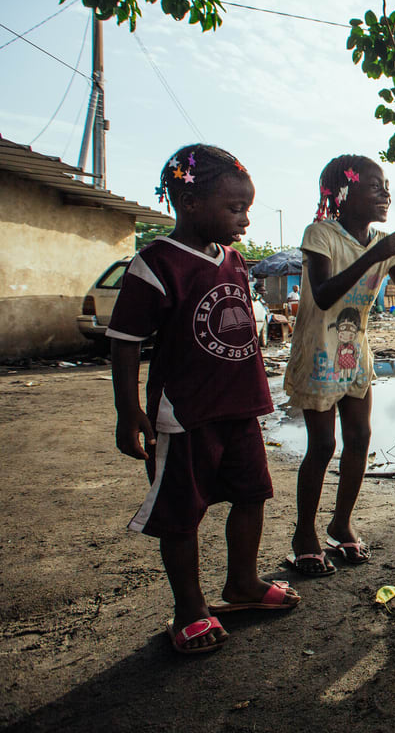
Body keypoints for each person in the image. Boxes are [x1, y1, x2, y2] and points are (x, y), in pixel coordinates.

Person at [109, 144, 300, 655]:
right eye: (235, 208)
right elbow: (125, 340)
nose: (244, 218)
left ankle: (242, 584)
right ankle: (189, 610)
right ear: (189, 202)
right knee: (181, 511)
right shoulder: (156, 264)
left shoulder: (235, 261)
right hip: (184, 414)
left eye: (248, 208)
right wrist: (128, 410)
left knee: (253, 493)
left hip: (239, 407)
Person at [284, 154, 395, 575]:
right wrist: (377, 256)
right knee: (322, 446)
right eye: (375, 186)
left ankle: (341, 523)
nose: (386, 193)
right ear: (343, 193)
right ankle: (305, 533)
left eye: (387, 186)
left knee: (359, 438)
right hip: (319, 352)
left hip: (354, 355)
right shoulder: (321, 234)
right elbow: (322, 294)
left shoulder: (381, 244)